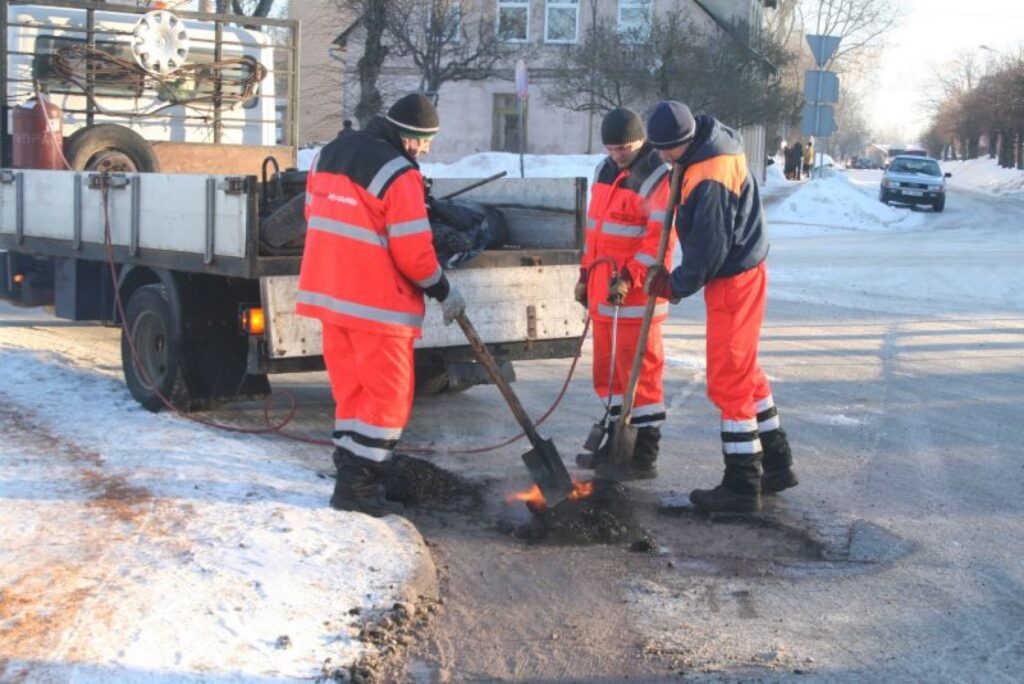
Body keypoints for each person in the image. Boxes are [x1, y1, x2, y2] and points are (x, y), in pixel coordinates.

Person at [297, 93, 466, 516]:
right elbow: (413, 251)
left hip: (331, 296)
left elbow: (311, 213)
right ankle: (359, 489)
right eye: (425, 141)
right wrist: (444, 289)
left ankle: (349, 478)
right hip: (377, 306)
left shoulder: (327, 155)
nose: (425, 150)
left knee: (352, 395)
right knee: (388, 400)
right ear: (409, 137)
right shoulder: (398, 173)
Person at [643, 101, 798, 513]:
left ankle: (742, 485)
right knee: (745, 369)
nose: (661, 157)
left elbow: (709, 250)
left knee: (729, 378)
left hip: (732, 277)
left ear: (683, 142)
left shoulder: (708, 176)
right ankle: (777, 463)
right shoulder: (705, 149)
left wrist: (674, 285)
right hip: (742, 270)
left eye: (666, 150)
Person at [574, 107, 676, 479]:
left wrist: (632, 277)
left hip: (634, 298)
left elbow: (659, 242)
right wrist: (586, 274)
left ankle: (643, 452)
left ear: (641, 141)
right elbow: (595, 232)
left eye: (625, 148)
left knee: (641, 374)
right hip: (603, 295)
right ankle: (618, 442)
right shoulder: (605, 171)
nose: (618, 155)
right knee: (609, 374)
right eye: (612, 148)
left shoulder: (656, 176)